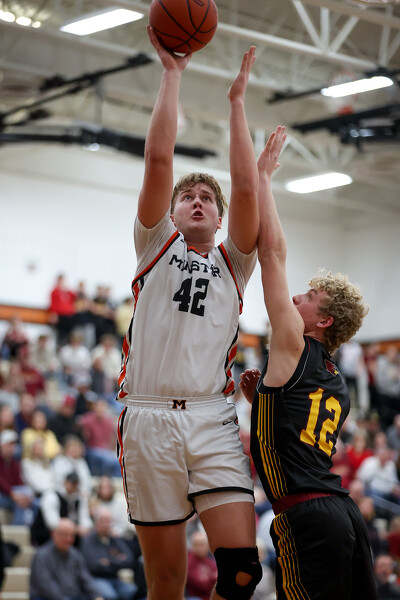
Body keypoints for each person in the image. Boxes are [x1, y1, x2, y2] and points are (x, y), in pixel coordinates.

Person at [116, 27, 261, 600]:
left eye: (207, 199)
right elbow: (158, 157)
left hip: (211, 417)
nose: (197, 200)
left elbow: (246, 186)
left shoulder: (234, 264)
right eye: (187, 197)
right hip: (148, 417)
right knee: (167, 582)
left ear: (219, 219)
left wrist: (236, 104)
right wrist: (172, 74)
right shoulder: (155, 244)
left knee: (242, 573)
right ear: (172, 213)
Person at [239, 126, 376, 599]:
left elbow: (271, 253)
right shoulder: (336, 382)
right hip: (344, 515)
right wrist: (263, 401)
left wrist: (263, 178)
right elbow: (296, 431)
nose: (295, 297)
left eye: (308, 296)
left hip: (308, 516)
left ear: (323, 320)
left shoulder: (295, 345)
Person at [30, 517, 104, 600]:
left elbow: (85, 578)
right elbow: (45, 584)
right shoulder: (42, 555)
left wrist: (97, 595)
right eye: (64, 534)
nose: (68, 539)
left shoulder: (76, 554)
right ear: (53, 534)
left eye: (72, 535)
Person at [80, 507, 137, 600]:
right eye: (104, 521)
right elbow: (93, 565)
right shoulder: (88, 540)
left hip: (115, 577)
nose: (108, 524)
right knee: (110, 595)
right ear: (97, 522)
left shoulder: (115, 539)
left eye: (109, 521)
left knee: (131, 590)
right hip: (97, 578)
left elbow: (129, 559)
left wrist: (108, 561)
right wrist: (117, 559)